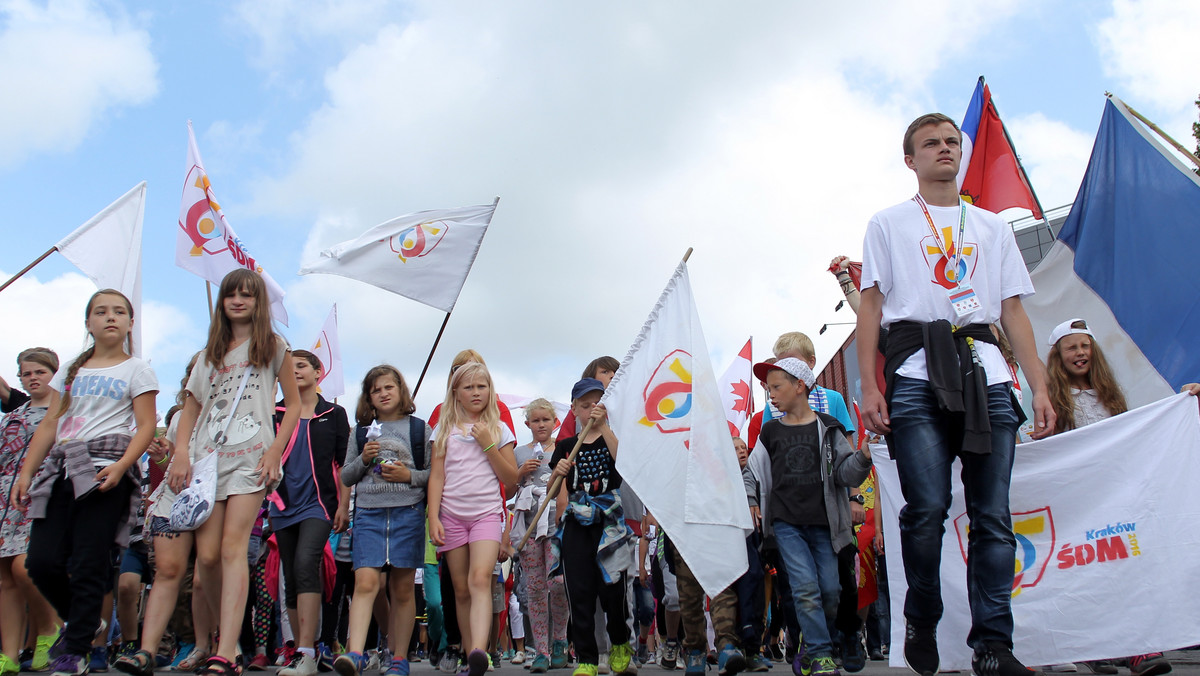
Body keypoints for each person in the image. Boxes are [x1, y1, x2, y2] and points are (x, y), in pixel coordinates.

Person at [855, 113, 1055, 676]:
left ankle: (993, 643)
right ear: (910, 160)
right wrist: (871, 385)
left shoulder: (991, 227)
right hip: (917, 371)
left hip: (986, 373)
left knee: (993, 515)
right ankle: (922, 612)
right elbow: (871, 304)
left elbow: (1013, 310)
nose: (944, 149)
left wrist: (1037, 385)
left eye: (951, 142)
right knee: (928, 510)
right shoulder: (889, 223)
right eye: (931, 144)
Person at [153, 269, 300, 676]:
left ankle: (226, 650)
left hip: (251, 458)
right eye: (230, 294)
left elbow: (295, 405)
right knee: (209, 558)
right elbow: (192, 407)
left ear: (258, 303)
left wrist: (275, 452)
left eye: (247, 295)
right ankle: (226, 639)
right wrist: (180, 452)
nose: (238, 301)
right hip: (207, 461)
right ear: (221, 301)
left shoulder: (273, 345)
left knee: (235, 549)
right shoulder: (209, 355)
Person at [12, 290, 159, 676]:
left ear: (130, 322)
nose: (110, 317)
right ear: (88, 323)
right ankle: (84, 623)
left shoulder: (137, 369)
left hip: (105, 471)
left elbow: (145, 425)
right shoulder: (73, 371)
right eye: (100, 311)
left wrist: (123, 465)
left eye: (119, 311)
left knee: (90, 562)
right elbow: (50, 424)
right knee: (40, 562)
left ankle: (74, 651)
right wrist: (27, 472)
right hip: (62, 469)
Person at [1045, 318, 1199, 676]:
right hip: (1077, 504)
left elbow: (1136, 434)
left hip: (1115, 498)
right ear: (1059, 356)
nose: (1080, 353)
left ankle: (1140, 649)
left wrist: (1182, 402)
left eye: (1085, 346)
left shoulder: (1110, 395)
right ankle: (1095, 646)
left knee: (1128, 567)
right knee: (1088, 574)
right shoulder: (1051, 397)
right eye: (1073, 347)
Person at [745, 358, 871, 676]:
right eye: (768, 388)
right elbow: (753, 472)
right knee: (804, 588)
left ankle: (815, 643)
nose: (770, 394)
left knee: (830, 591)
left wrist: (865, 457)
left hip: (826, 526)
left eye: (777, 386)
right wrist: (750, 501)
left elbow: (845, 471)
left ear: (800, 386)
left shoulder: (829, 427)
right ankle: (819, 652)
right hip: (786, 526)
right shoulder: (770, 431)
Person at [334, 366, 431, 676]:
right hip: (369, 515)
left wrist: (408, 476)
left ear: (401, 391)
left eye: (390, 387)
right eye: (377, 390)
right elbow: (346, 475)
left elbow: (433, 476)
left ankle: (400, 657)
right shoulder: (359, 432)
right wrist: (363, 459)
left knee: (403, 589)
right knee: (366, 582)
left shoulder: (419, 429)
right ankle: (355, 652)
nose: (384, 393)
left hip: (408, 514)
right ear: (369, 398)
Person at [428, 361, 518, 676]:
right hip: (451, 515)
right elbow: (436, 477)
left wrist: (488, 445)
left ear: (490, 390)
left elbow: (511, 480)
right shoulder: (442, 429)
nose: (476, 392)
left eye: (481, 386)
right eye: (468, 387)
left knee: (480, 579)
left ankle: (480, 651)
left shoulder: (499, 428)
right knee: (460, 589)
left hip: (487, 515)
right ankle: (470, 656)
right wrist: (433, 517)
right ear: (456, 392)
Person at [272, 350, 351, 676]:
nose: (296, 371)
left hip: (319, 506)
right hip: (281, 504)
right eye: (289, 368)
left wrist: (344, 505)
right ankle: (299, 649)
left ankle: (308, 650)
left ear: (319, 372)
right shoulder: (274, 411)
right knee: (290, 576)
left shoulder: (334, 413)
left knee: (307, 563)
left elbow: (345, 463)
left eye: (302, 366)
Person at [550, 378, 635, 676]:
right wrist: (557, 474)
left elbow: (624, 465)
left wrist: (606, 428)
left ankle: (620, 642)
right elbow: (553, 490)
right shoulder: (565, 446)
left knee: (613, 589)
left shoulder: (613, 438)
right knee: (580, 589)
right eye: (584, 406)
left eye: (597, 405)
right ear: (574, 409)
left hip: (608, 521)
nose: (590, 411)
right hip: (575, 520)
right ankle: (585, 657)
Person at [0, 348, 61, 675]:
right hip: (5, 499)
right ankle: (8, 654)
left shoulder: (64, 410)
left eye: (40, 372)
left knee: (26, 569)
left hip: (42, 495)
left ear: (54, 373)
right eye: (27, 373)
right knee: (5, 578)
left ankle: (49, 627)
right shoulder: (13, 415)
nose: (33, 378)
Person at [510, 398, 569, 673]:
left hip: (555, 525)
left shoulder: (563, 448)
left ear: (555, 422)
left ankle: (560, 639)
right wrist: (521, 472)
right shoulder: (520, 452)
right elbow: (509, 487)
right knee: (534, 589)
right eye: (536, 420)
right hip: (529, 527)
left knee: (557, 583)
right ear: (528, 424)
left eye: (546, 419)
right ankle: (541, 650)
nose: (541, 424)